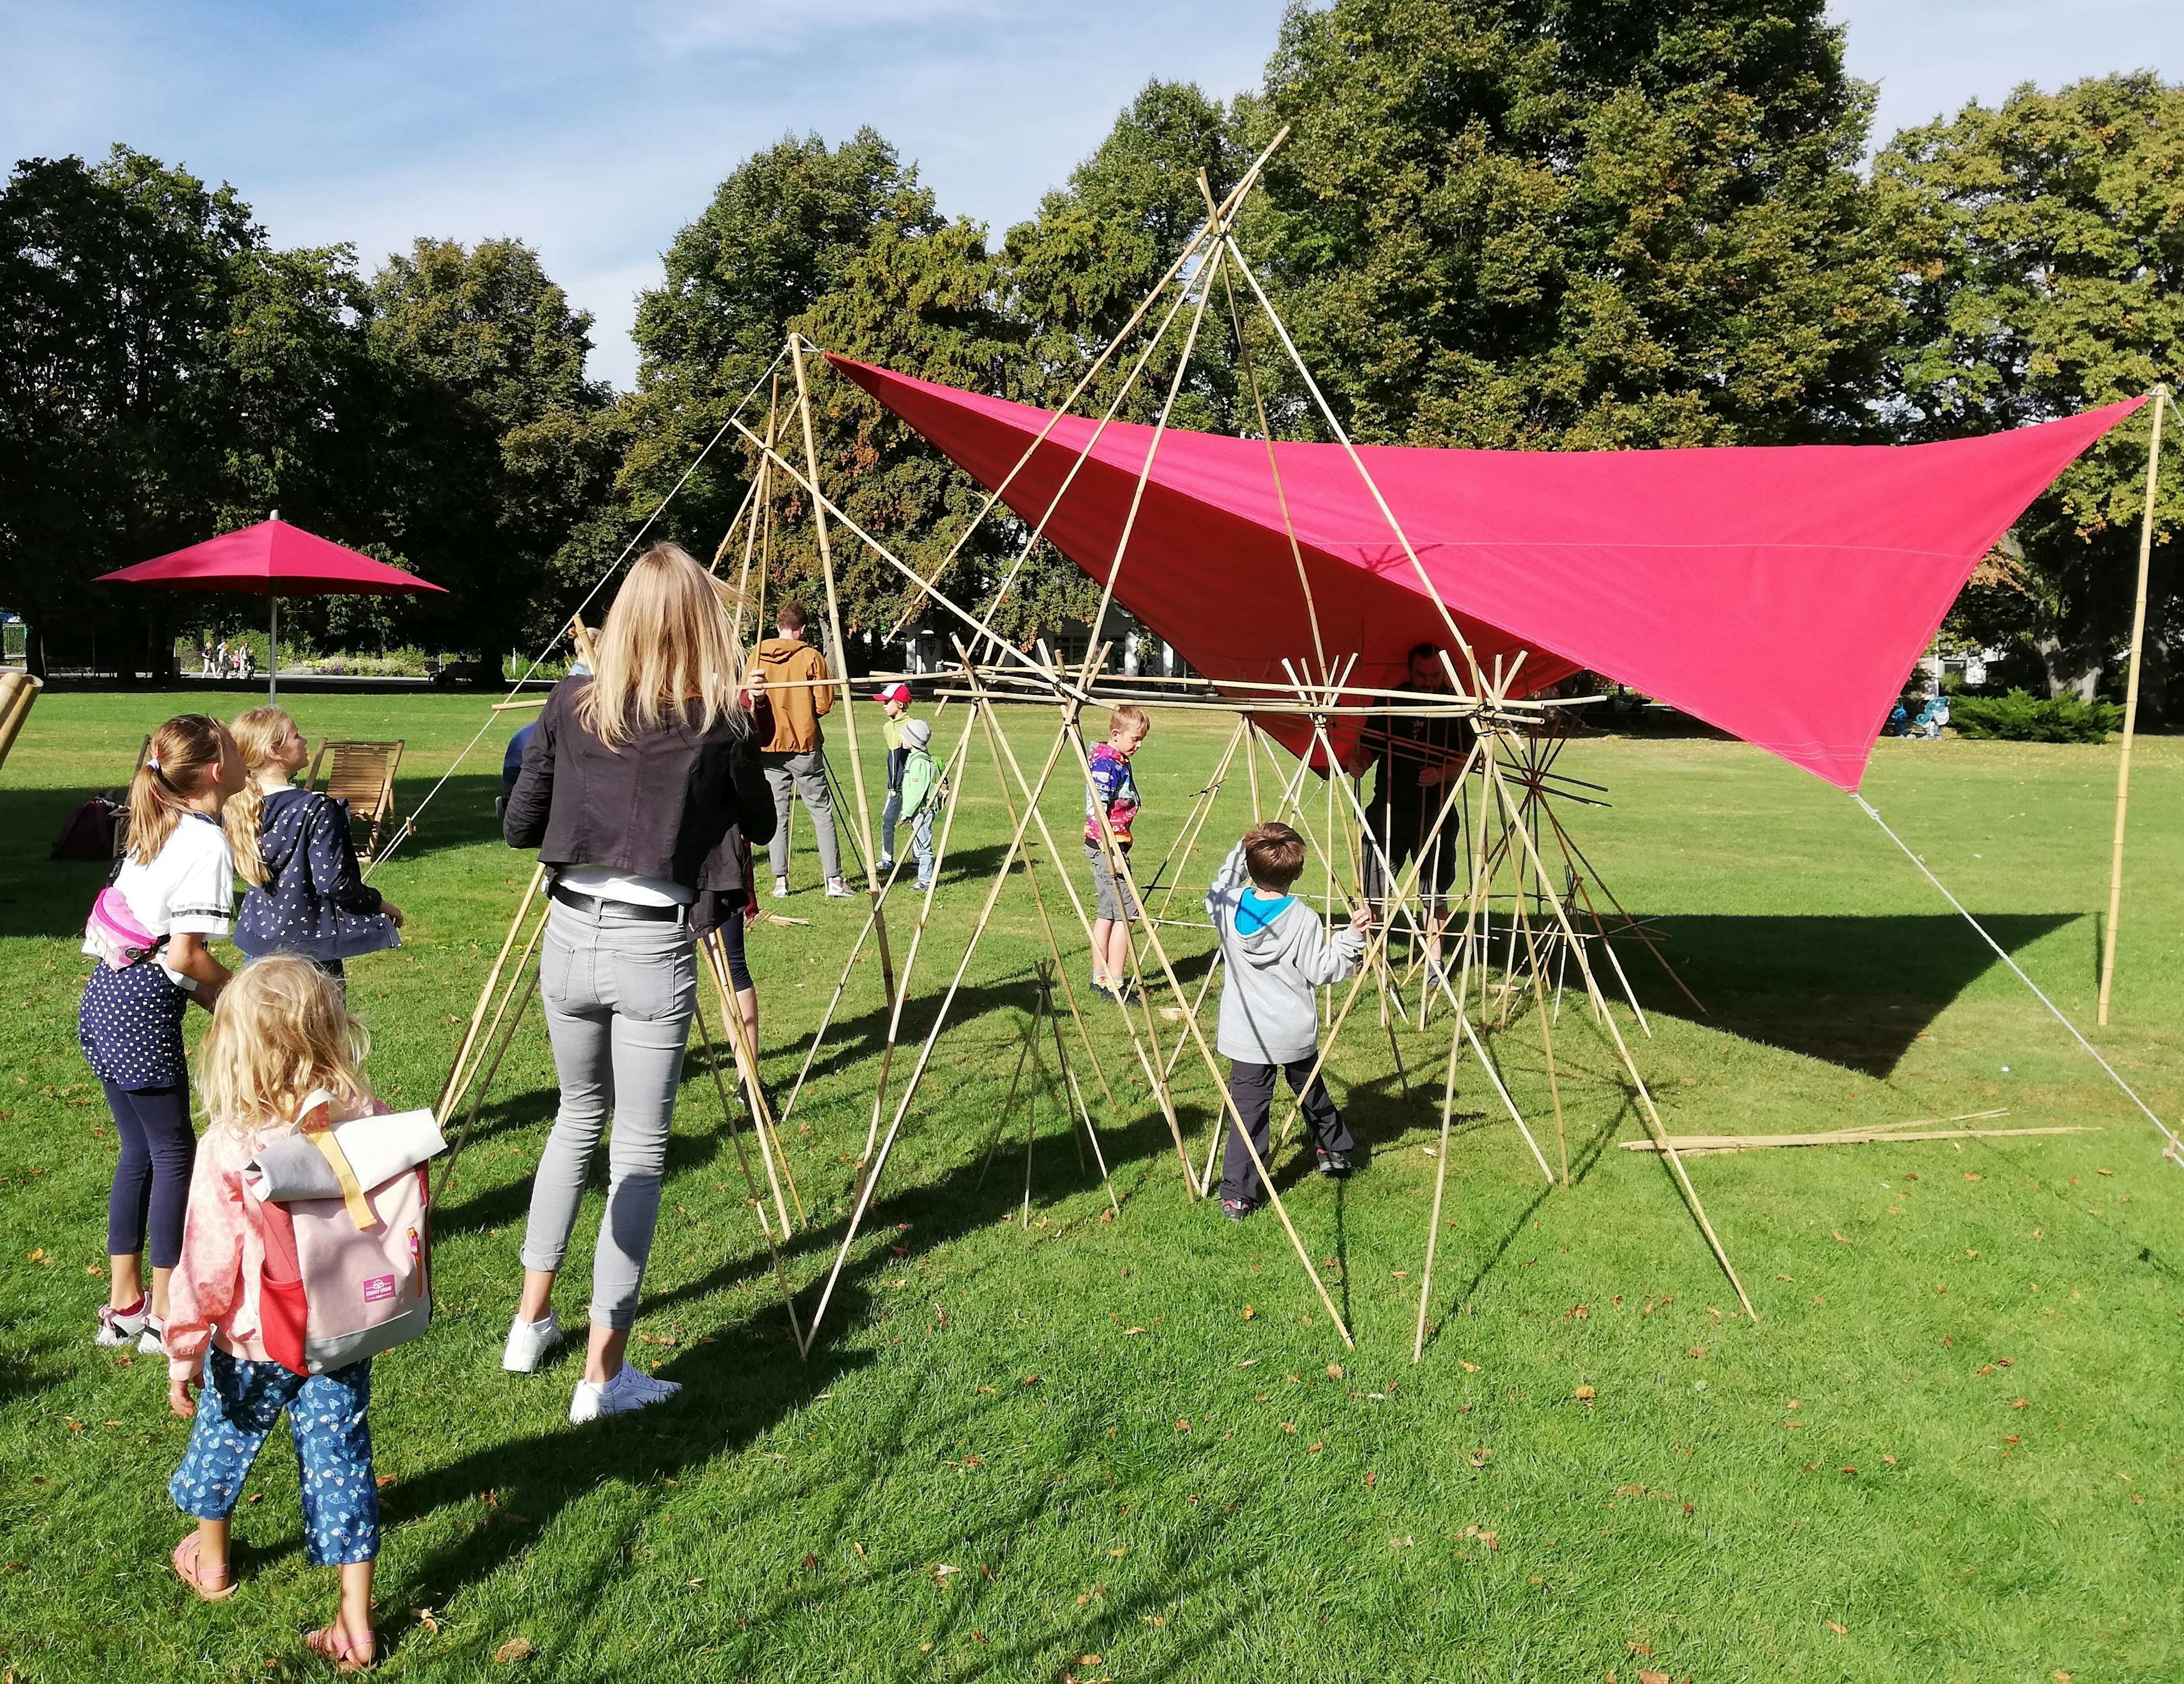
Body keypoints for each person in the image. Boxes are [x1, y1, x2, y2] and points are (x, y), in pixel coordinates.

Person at [501, 542, 774, 1422]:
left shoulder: (574, 702)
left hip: (570, 934)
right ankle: (601, 1372)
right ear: (699, 621)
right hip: (648, 946)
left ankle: (529, 1323)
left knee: (574, 1119)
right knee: (637, 1154)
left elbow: (520, 825)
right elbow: (761, 822)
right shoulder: (713, 722)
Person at [162, 956, 387, 1669]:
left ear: (235, 1045)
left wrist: (184, 1348)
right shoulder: (364, 1118)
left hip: (256, 1339)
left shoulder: (232, 1144)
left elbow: (206, 1264)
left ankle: (214, 1561)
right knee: (342, 1459)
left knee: (225, 1438)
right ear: (328, 1029)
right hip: (342, 1331)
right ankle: (355, 1620)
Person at [78, 714, 244, 1356]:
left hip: (106, 1000)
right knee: (177, 1155)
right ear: (213, 771)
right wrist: (242, 998)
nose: (240, 753)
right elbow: (183, 957)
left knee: (141, 1152)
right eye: (232, 747)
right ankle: (165, 1312)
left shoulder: (164, 824)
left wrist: (216, 999)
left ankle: (125, 1306)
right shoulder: (205, 842)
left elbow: (161, 952)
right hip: (140, 1010)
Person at [1205, 822, 1372, 1220]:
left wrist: (1240, 849)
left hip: (1246, 1035)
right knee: (1310, 1088)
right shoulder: (1302, 918)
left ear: (1249, 865)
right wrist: (1351, 936)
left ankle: (1237, 1195)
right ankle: (1332, 1148)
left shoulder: (1227, 906)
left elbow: (1218, 886)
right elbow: (1323, 969)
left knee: (1248, 1113)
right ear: (1297, 872)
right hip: (1292, 1031)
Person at [225, 706, 404, 983]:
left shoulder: (241, 805)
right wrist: (377, 903)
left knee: (263, 1027)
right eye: (296, 736)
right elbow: (333, 883)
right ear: (275, 750)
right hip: (309, 954)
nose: (304, 741)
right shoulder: (314, 808)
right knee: (316, 1028)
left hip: (258, 944)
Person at [1362, 643, 1474, 973]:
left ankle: (1434, 963)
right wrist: (1361, 762)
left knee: (1434, 889)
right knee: (1374, 887)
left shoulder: (1457, 706)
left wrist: (1442, 773)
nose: (1429, 682)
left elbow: (1469, 756)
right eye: (1422, 675)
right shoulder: (1391, 700)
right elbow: (1370, 746)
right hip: (1389, 807)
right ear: (1410, 671)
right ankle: (1368, 956)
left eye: (1436, 675)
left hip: (1435, 811)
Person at [747, 601, 848, 899]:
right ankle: (833, 879)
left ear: (779, 625)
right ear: (802, 629)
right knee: (820, 810)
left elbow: (748, 698)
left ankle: (780, 882)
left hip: (769, 745)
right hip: (804, 745)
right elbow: (825, 703)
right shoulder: (811, 657)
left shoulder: (757, 656)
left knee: (777, 813)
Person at [1084, 704, 1149, 1004]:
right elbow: (1097, 811)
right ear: (1115, 734)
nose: (1138, 745)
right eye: (1135, 739)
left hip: (1114, 844)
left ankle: (1102, 978)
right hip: (1107, 846)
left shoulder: (1117, 761)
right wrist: (1113, 852)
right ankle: (1114, 982)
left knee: (1110, 913)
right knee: (1127, 913)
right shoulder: (1105, 765)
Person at [897, 715, 942, 891]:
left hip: (921, 811)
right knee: (919, 843)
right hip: (917, 811)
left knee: (924, 846)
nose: (902, 738)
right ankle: (922, 875)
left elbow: (916, 792)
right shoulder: (916, 757)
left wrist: (907, 812)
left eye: (905, 736)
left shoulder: (919, 762)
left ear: (914, 741)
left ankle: (926, 880)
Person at [874, 681, 912, 873]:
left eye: (887, 701)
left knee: (917, 821)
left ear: (900, 704)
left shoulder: (913, 726)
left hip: (912, 786)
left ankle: (918, 861)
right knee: (887, 820)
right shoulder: (888, 728)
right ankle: (887, 859)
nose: (883, 705)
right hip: (894, 786)